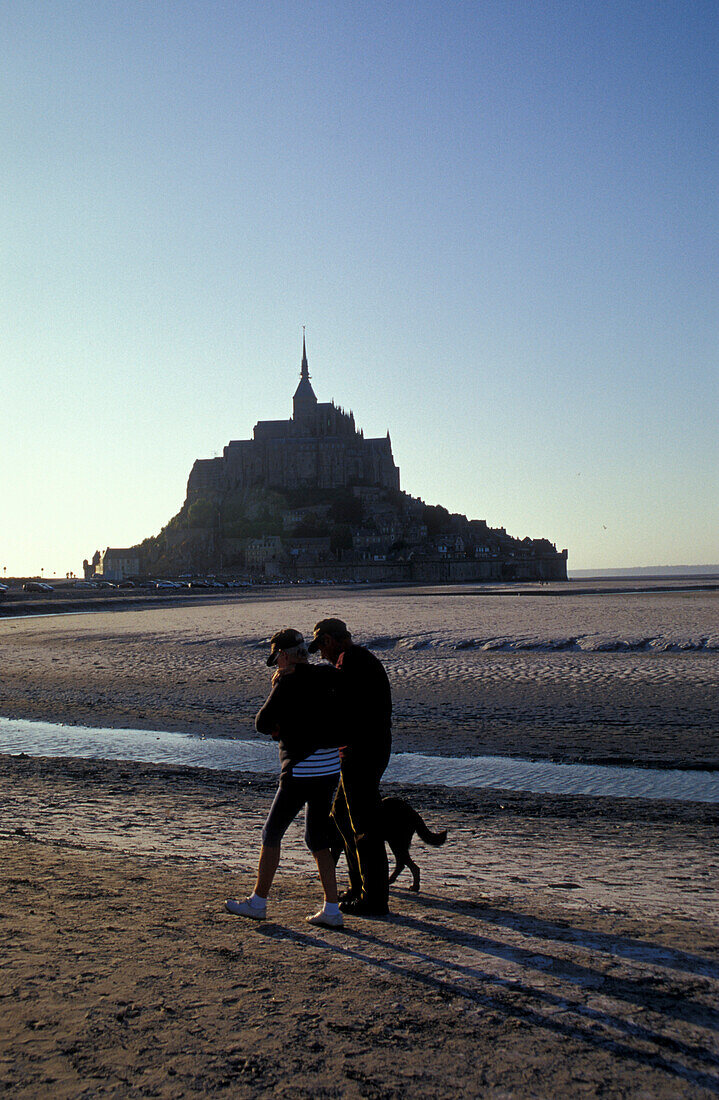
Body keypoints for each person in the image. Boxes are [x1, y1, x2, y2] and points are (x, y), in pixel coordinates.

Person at [225, 628, 345, 929]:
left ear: (283, 655)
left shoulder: (287, 682)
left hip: (301, 768)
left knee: (272, 833)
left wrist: (281, 712)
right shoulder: (327, 673)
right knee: (316, 837)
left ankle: (258, 902)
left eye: (277, 657)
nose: (277, 663)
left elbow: (262, 722)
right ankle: (332, 909)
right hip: (330, 766)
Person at [308, 617, 392, 916]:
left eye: (321, 647)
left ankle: (374, 897)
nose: (321, 654)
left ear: (331, 641)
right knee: (344, 816)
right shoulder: (357, 659)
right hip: (366, 748)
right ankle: (361, 888)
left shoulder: (350, 662)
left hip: (362, 751)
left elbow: (340, 707)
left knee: (363, 825)